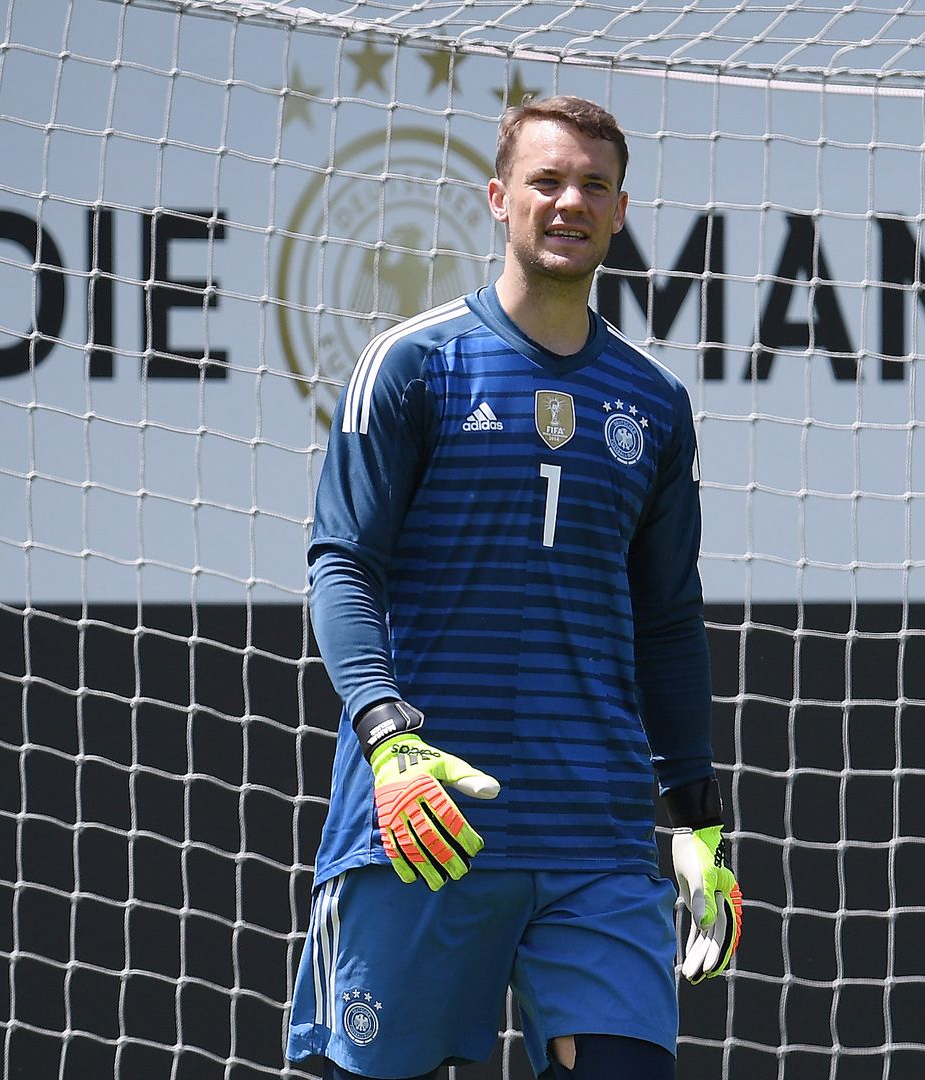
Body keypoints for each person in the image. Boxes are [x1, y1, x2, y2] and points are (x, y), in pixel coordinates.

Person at [285, 95, 741, 1080]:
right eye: (547, 181)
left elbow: (665, 621)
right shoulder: (411, 365)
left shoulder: (655, 405)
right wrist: (388, 738)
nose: (568, 201)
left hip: (595, 837)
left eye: (593, 185)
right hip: (422, 822)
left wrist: (697, 822)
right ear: (499, 198)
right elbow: (342, 566)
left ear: (621, 211)